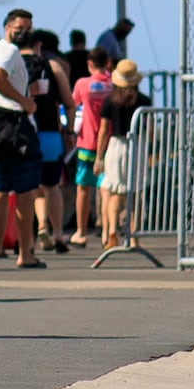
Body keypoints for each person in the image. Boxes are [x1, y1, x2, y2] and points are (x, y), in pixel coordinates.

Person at [0, 8, 45, 270]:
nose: (25, 32)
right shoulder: (9, 51)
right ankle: (25, 252)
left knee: (0, 188)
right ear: (7, 27)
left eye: (29, 27)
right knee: (25, 191)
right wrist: (24, 100)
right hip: (15, 125)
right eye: (20, 27)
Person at [95, 58, 151, 252]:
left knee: (116, 192)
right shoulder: (144, 100)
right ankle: (134, 236)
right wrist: (151, 149)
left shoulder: (110, 101)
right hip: (137, 145)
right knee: (135, 192)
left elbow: (103, 131)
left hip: (116, 146)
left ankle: (112, 231)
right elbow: (150, 129)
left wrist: (99, 157)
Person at [28, 29, 75, 253]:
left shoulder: (12, 67)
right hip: (50, 134)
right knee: (52, 186)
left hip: (24, 134)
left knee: (33, 188)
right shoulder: (54, 67)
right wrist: (69, 130)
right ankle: (57, 233)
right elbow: (69, 102)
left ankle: (40, 228)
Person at [68, 46, 114, 246]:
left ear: (89, 64)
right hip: (111, 142)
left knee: (83, 188)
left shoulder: (83, 84)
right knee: (106, 189)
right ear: (108, 63)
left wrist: (69, 130)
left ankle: (81, 231)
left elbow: (71, 104)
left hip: (87, 141)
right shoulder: (114, 84)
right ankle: (106, 230)